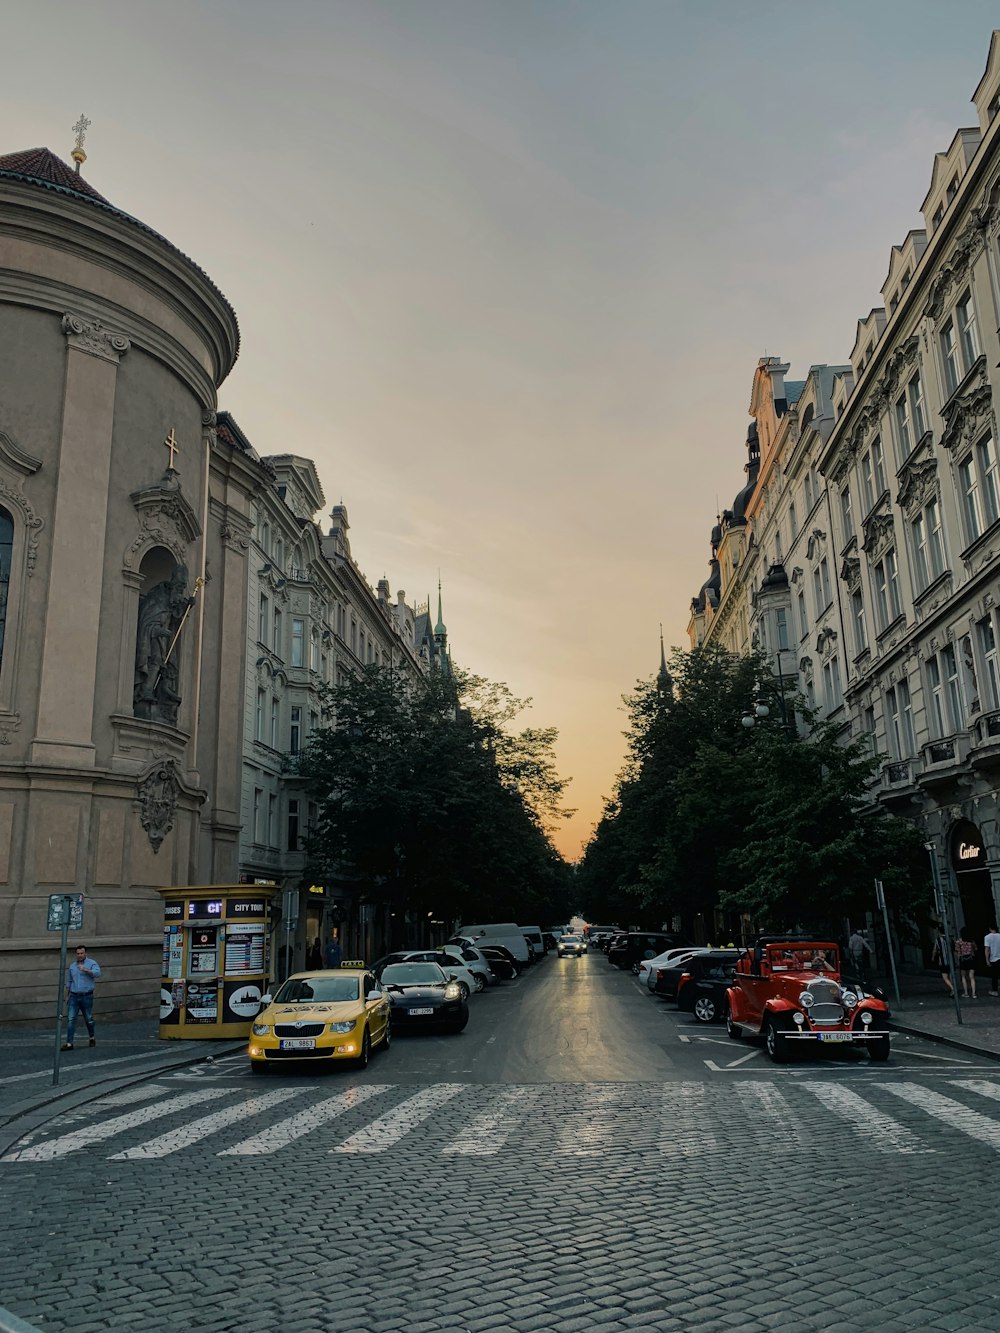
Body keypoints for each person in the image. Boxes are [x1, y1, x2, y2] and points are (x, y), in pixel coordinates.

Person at [61, 945, 102, 1050]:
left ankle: (92, 1037)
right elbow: (69, 981)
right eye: (78, 953)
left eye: (81, 953)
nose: (79, 955)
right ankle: (69, 1043)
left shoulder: (91, 963)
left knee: (88, 1019)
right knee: (71, 1019)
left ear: (85, 953)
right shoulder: (72, 966)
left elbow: (98, 973)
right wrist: (66, 996)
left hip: (86, 996)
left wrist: (86, 970)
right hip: (74, 996)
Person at [931, 924, 954, 995]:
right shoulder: (950, 939)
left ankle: (953, 989)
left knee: (945, 977)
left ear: (939, 932)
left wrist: (933, 957)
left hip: (943, 961)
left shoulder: (938, 940)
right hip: (951, 960)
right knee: (951, 975)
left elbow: (935, 950)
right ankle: (951, 989)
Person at [955, 928, 978, 998]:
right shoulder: (971, 941)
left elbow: (957, 952)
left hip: (963, 960)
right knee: (972, 977)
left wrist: (957, 961)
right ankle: (974, 994)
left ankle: (966, 993)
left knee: (963, 977)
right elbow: (976, 948)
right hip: (971, 959)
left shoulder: (958, 942)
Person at [984, 924, 1000, 998]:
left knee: (994, 976)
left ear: (990, 928)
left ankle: (995, 991)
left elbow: (987, 949)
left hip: (993, 958)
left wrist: (987, 960)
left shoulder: (987, 937)